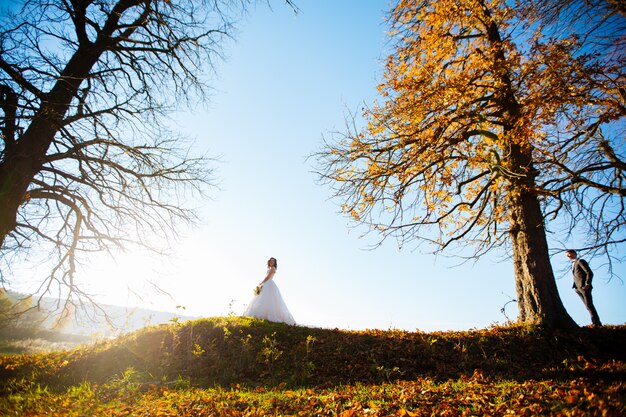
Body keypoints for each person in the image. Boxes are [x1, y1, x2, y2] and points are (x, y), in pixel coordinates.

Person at [243, 257, 296, 325]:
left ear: (274, 263)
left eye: (273, 261)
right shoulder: (270, 269)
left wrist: (261, 283)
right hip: (267, 284)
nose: (272, 262)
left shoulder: (273, 268)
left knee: (268, 299)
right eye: (271, 261)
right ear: (269, 262)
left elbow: (268, 277)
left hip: (269, 283)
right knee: (263, 298)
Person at [565, 249, 602, 326]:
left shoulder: (580, 261)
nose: (568, 257)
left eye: (569, 254)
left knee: (589, 304)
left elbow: (589, 272)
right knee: (587, 306)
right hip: (577, 289)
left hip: (584, 287)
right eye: (567, 256)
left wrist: (587, 283)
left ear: (574, 253)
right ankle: (595, 322)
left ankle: (596, 322)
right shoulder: (573, 264)